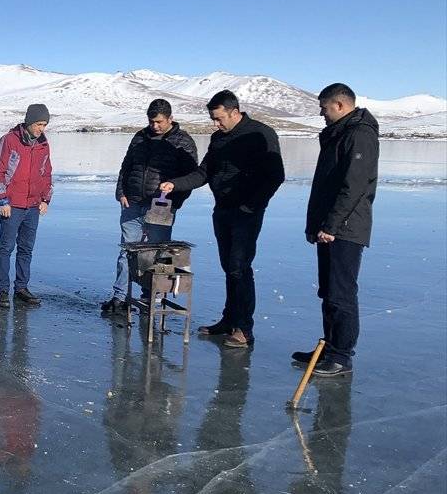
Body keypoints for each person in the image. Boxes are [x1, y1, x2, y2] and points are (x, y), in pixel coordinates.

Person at [160, 90, 285, 348]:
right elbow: (204, 172)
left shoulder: (260, 134)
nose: (215, 124)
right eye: (212, 119)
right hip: (223, 210)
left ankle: (244, 329)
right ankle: (229, 320)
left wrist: (252, 205)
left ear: (234, 112)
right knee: (229, 267)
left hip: (246, 213)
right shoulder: (219, 139)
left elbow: (275, 176)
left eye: (218, 118)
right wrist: (176, 183)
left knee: (240, 266)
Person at [295, 83, 379, 377]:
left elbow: (354, 185)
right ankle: (328, 349)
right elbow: (324, 185)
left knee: (341, 292)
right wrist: (314, 225)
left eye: (324, 107)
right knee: (328, 290)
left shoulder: (359, 135)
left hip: (345, 227)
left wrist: (331, 225)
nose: (321, 113)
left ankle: (341, 356)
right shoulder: (339, 134)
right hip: (330, 225)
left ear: (340, 105)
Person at [102, 98, 198, 314]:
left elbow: (191, 177)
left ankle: (150, 297)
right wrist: (121, 192)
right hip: (132, 202)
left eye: (159, 122)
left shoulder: (182, 141)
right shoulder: (140, 137)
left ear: (170, 119)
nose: (155, 126)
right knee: (127, 251)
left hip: (162, 206)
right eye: (151, 121)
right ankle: (120, 298)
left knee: (157, 253)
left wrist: (175, 203)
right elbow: (126, 166)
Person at [0, 104, 53, 308]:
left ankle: (21, 288)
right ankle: (2, 290)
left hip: (33, 206)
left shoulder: (43, 144)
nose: (41, 128)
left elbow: (47, 173)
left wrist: (45, 199)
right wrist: (2, 200)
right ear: (29, 122)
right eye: (38, 124)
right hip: (12, 205)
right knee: (6, 248)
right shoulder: (9, 141)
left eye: (44, 124)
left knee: (26, 249)